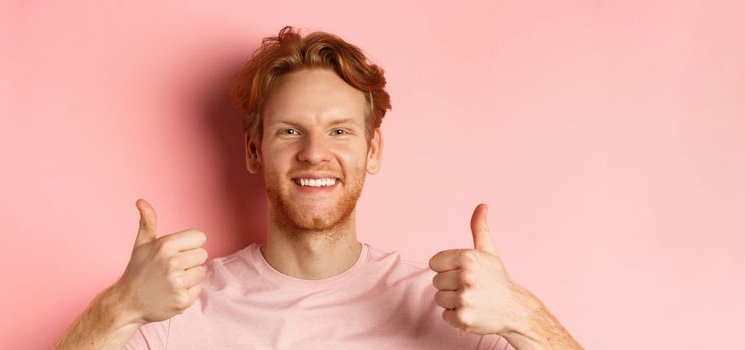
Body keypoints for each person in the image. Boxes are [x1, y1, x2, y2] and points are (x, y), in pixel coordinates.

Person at [54, 26, 583, 350]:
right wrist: (122, 306)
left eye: (339, 131)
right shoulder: (178, 310)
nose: (314, 152)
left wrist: (521, 316)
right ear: (253, 151)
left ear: (372, 151)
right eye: (289, 131)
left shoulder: (450, 307)